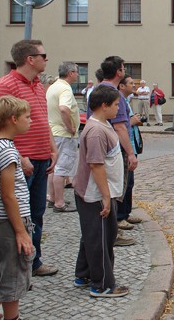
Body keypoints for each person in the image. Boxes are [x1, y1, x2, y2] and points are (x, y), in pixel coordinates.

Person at [0, 39, 59, 277]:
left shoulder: (38, 84)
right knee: (18, 213)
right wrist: (19, 157)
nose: (46, 59)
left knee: (36, 214)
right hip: (21, 163)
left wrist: (52, 148)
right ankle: (16, 263)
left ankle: (32, 260)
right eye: (43, 55)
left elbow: (42, 118)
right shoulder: (5, 85)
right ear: (30, 59)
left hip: (41, 159)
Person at [73, 85, 130, 298]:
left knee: (92, 235)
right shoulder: (96, 131)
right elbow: (96, 165)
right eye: (116, 105)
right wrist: (106, 197)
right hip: (95, 194)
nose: (118, 108)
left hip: (100, 193)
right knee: (101, 239)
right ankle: (102, 284)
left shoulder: (102, 124)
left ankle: (83, 274)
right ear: (104, 106)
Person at [0, 96, 34, 320]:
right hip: (11, 221)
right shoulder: (6, 151)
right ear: (13, 119)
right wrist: (20, 230)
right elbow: (8, 195)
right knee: (14, 273)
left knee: (0, 269)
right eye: (27, 117)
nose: (31, 121)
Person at [87, 56, 138, 247]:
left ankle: (110, 231)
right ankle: (112, 232)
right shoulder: (111, 93)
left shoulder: (100, 89)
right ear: (119, 71)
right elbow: (120, 127)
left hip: (105, 147)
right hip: (113, 149)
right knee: (115, 191)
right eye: (123, 68)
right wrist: (131, 153)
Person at [46, 62, 80, 213]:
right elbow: (64, 108)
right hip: (63, 133)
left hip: (53, 131)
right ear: (71, 73)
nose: (78, 75)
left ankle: (52, 197)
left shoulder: (53, 86)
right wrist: (70, 127)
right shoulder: (65, 88)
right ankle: (59, 203)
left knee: (53, 168)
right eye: (77, 72)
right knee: (61, 169)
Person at [115, 74, 142, 235]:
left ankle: (126, 213)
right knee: (123, 183)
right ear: (122, 86)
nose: (134, 85)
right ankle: (119, 217)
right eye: (131, 83)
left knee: (129, 183)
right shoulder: (119, 100)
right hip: (124, 147)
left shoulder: (126, 101)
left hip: (131, 145)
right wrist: (131, 121)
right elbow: (121, 125)